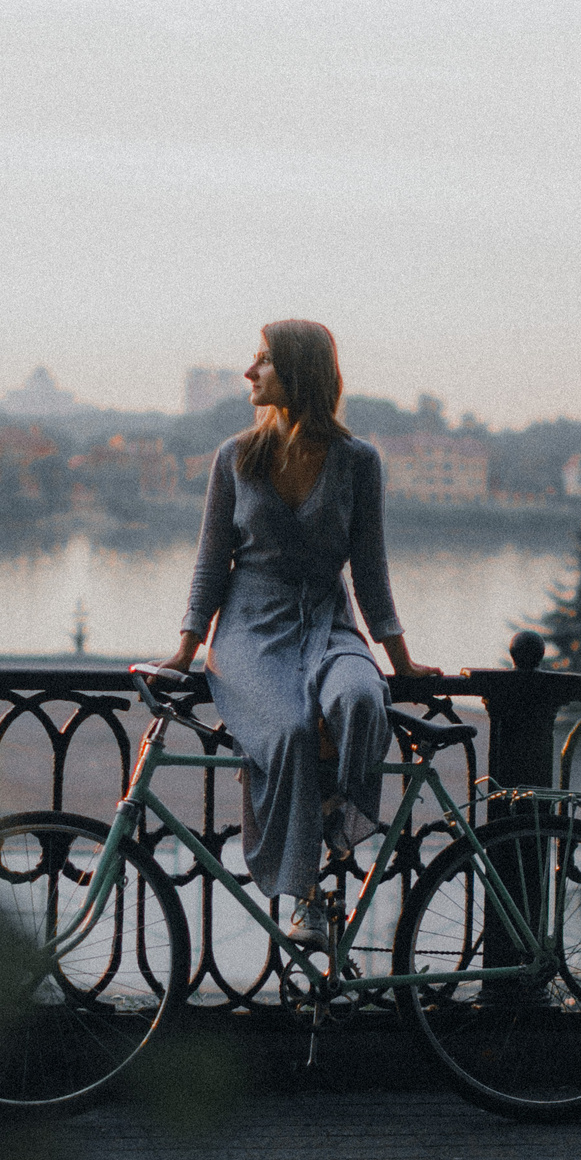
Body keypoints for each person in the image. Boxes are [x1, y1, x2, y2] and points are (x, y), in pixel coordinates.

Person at [159, 320, 438, 950]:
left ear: (299, 372)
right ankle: (306, 896)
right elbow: (211, 564)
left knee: (361, 701)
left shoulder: (357, 462)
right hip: (251, 632)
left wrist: (402, 661)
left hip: (330, 624)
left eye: (262, 361)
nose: (248, 372)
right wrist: (186, 647)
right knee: (286, 731)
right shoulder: (234, 458)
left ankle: (333, 819)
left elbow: (370, 570)